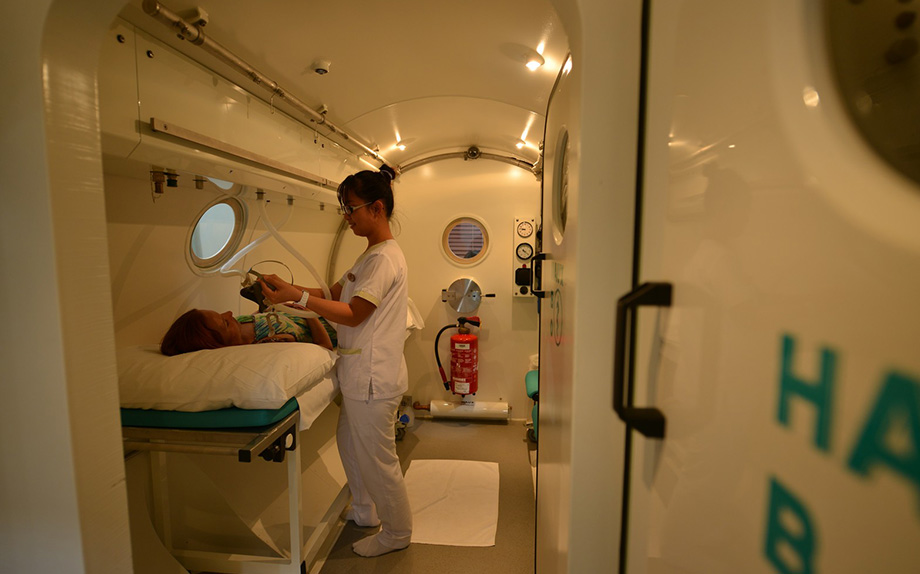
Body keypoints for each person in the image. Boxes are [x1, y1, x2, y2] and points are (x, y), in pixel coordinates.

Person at [258, 164, 412, 557]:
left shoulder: (384, 259)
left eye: (351, 208)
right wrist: (287, 289)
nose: (347, 217)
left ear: (377, 208)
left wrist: (300, 299)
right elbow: (331, 292)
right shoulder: (369, 256)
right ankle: (365, 510)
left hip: (373, 379)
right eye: (344, 209)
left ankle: (397, 533)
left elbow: (355, 313)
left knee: (378, 461)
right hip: (359, 374)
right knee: (349, 443)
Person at [160, 308, 335, 356]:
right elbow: (324, 346)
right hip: (333, 324)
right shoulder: (269, 341)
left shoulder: (240, 323)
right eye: (225, 322)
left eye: (221, 313)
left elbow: (264, 316)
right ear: (221, 345)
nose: (229, 313)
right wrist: (308, 312)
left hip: (322, 309)